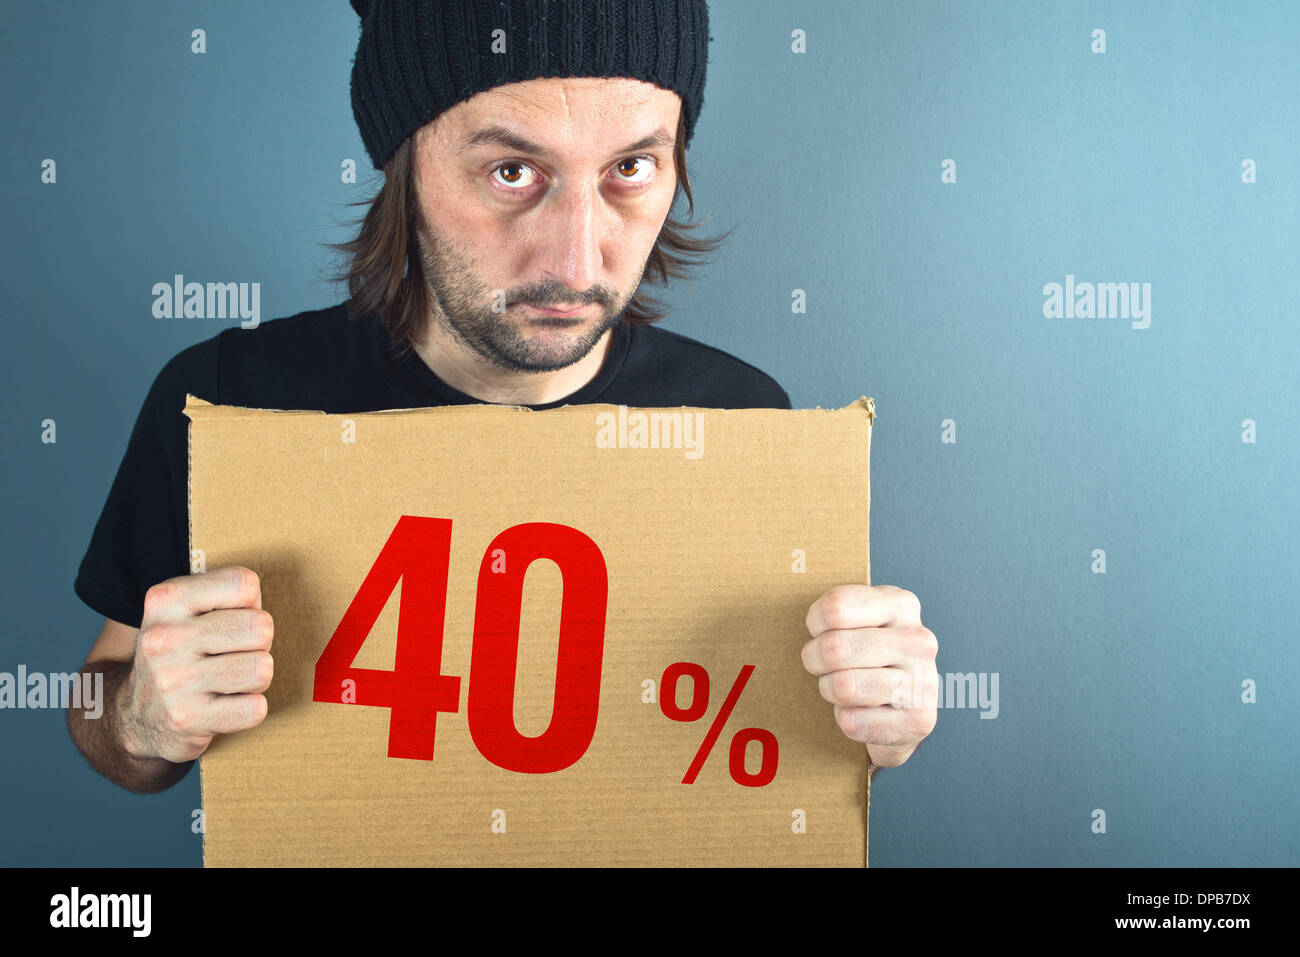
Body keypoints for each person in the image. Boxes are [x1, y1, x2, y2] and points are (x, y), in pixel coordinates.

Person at [67, 0, 938, 796]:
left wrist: (866, 716)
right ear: (403, 166)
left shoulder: (741, 422)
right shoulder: (233, 401)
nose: (573, 258)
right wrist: (146, 716)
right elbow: (110, 700)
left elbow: (760, 753)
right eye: (513, 172)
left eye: (630, 167)